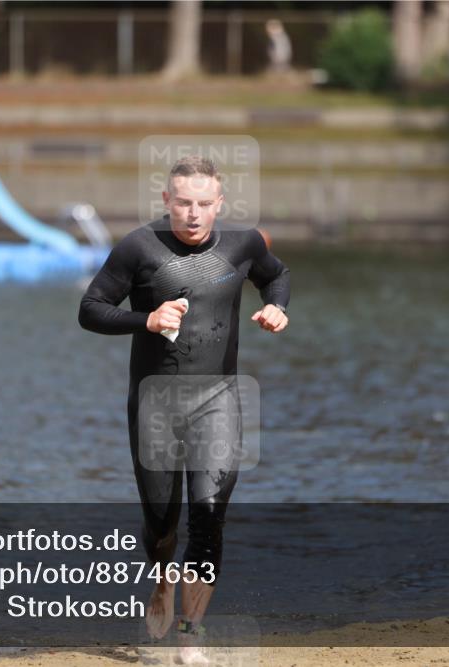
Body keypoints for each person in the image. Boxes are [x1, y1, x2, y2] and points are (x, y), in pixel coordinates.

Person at [78, 156, 290, 661]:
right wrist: (145, 319)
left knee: (209, 514)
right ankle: (161, 582)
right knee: (162, 523)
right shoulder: (138, 248)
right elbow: (90, 310)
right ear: (166, 201)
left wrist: (278, 306)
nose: (193, 215)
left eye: (203, 204)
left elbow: (276, 276)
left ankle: (191, 634)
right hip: (155, 405)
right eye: (183, 204)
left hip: (218, 401)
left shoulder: (244, 245)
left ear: (219, 204)